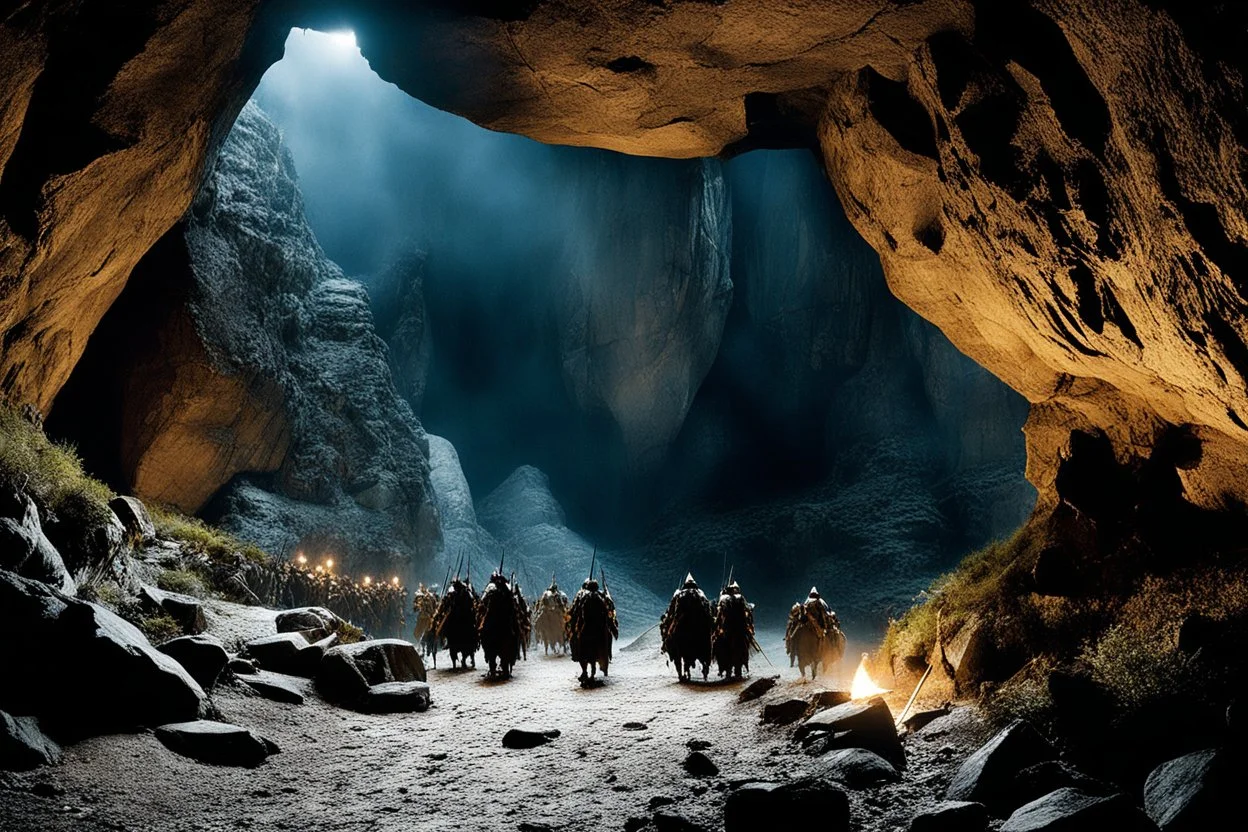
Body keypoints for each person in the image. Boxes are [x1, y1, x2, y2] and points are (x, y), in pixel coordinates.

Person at [660, 573, 714, 682]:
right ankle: (706, 664)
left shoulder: (679, 594)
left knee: (670, 638)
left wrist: (667, 621)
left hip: (681, 623)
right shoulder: (701, 594)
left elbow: (673, 611)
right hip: (700, 624)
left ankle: (679, 670)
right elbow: (707, 611)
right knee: (709, 637)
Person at [784, 586, 846, 680]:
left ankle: (792, 651)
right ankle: (829, 650)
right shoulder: (820, 603)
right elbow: (826, 615)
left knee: (793, 636)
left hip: (811, 624)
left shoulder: (808, 603)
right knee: (823, 636)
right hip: (817, 626)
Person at [566, 577, 617, 683]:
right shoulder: (601, 597)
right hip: (599, 626)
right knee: (606, 638)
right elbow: (607, 614)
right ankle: (601, 659)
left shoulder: (584, 598)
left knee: (578, 642)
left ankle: (584, 668)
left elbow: (577, 612)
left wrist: (573, 626)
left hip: (588, 625)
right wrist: (612, 627)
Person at [476, 570, 521, 678]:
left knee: (514, 629)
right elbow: (483, 605)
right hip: (496, 620)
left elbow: (512, 609)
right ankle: (496, 665)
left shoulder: (504, 592)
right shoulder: (492, 591)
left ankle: (501, 665)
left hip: (502, 619)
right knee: (484, 631)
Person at [433, 574, 479, 669]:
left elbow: (471, 606)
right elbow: (447, 605)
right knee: (448, 626)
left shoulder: (466, 594)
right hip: (455, 617)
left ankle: (467, 655)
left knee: (472, 629)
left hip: (465, 617)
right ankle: (446, 639)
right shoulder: (452, 595)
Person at [711, 580, 755, 679]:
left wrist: (715, 628)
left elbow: (719, 615)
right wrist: (750, 627)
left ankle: (726, 670)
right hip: (740, 628)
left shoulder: (723, 600)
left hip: (727, 629)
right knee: (744, 645)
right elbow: (747, 612)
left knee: (719, 644)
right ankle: (739, 669)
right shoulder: (740, 599)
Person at [533, 576, 570, 655]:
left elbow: (563, 605)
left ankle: (567, 632)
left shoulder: (560, 595)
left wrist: (561, 608)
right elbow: (542, 604)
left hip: (558, 612)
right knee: (539, 620)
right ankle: (538, 630)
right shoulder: (546, 595)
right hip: (547, 612)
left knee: (567, 620)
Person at [412, 582, 441, 667]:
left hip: (428, 620)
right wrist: (418, 605)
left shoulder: (431, 599)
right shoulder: (420, 599)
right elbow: (415, 609)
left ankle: (429, 651)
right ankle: (422, 650)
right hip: (421, 619)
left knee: (430, 635)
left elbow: (433, 609)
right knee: (418, 634)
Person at [512, 577, 531, 661]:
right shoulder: (510, 598)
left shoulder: (521, 600)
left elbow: (525, 610)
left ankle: (524, 654)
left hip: (520, 621)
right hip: (514, 618)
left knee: (522, 637)